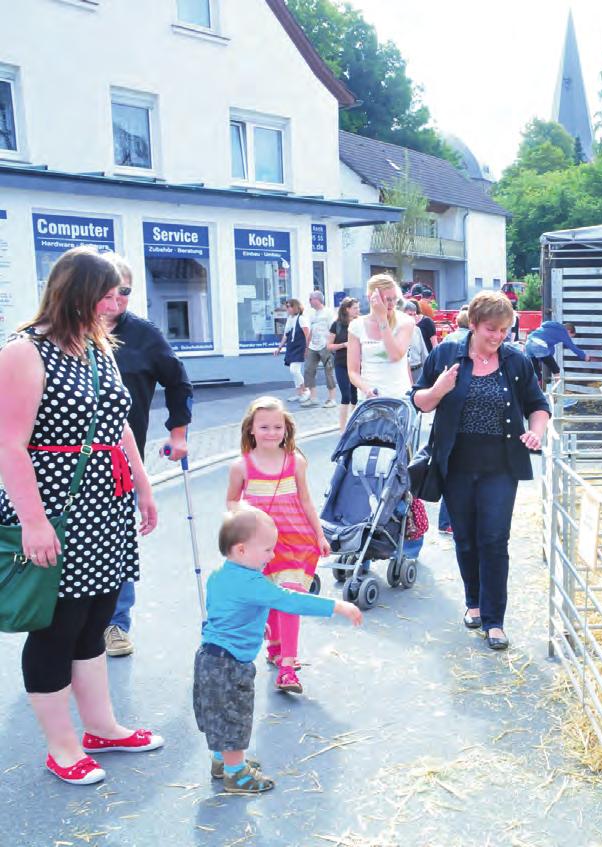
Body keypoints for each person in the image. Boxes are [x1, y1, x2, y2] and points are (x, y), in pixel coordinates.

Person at [0, 247, 161, 786]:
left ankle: (102, 728)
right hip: (55, 509)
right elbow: (8, 445)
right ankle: (62, 746)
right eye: (110, 292)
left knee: (96, 620)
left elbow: (116, 425)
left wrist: (142, 487)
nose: (118, 303)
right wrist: (34, 521)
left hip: (104, 506)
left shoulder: (96, 346)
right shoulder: (24, 352)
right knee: (55, 626)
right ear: (78, 291)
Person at [411, 291, 550, 650]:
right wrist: (439, 389)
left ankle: (494, 620)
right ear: (473, 325)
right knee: (466, 539)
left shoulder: (516, 361)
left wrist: (535, 432)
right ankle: (473, 601)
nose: (498, 336)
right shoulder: (446, 354)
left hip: (501, 466)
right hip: (455, 464)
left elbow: (538, 405)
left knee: (494, 540)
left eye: (505, 329)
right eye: (491, 329)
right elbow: (419, 402)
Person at [193, 506, 361, 793]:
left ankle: (221, 761)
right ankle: (236, 774)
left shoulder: (219, 575)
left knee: (218, 713)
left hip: (208, 657)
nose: (272, 556)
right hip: (230, 664)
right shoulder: (252, 582)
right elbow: (290, 601)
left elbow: (227, 611)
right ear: (242, 550)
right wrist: (336, 605)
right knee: (234, 717)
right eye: (268, 550)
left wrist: (256, 627)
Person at [103, 256, 193, 658]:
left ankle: (114, 624)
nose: (117, 299)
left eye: (125, 291)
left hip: (123, 460)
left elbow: (178, 382)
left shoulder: (142, 335)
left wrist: (178, 434)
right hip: (62, 463)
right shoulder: (63, 335)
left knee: (118, 543)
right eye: (108, 291)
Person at [226, 396, 331, 694]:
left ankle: (288, 667)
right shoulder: (241, 466)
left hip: (296, 538)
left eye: (277, 427)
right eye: (264, 427)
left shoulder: (295, 461)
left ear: (286, 430)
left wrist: (320, 535)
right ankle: (275, 645)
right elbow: (232, 500)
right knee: (269, 596)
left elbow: (306, 500)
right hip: (259, 542)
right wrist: (242, 520)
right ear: (251, 430)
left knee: (289, 596)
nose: (271, 433)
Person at [347, 274, 414, 400]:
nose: (392, 304)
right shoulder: (356, 325)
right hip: (370, 399)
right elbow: (353, 371)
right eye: (387, 299)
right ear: (371, 297)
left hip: (400, 398)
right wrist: (366, 389)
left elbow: (395, 355)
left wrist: (382, 319)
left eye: (395, 299)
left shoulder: (405, 321)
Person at [327, 296, 360, 431]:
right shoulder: (337, 325)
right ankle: (342, 428)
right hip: (341, 363)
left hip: (357, 364)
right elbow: (329, 346)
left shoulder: (360, 323)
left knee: (355, 395)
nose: (358, 310)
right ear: (347, 309)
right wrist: (343, 345)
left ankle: (354, 424)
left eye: (358, 307)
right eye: (355, 308)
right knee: (345, 395)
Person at [301, 290, 337, 408]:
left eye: (310, 299)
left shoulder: (329, 313)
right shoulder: (312, 314)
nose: (309, 302)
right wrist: (307, 346)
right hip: (313, 346)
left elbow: (334, 330)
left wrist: (331, 345)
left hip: (325, 346)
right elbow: (311, 331)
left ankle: (331, 399)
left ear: (317, 299)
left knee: (329, 371)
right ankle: (313, 397)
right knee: (308, 370)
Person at [525, 320, 590, 384]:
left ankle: (534, 389)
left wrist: (550, 354)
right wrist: (584, 356)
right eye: (570, 336)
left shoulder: (551, 327)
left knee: (536, 372)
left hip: (528, 343)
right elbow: (572, 347)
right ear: (569, 331)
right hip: (538, 344)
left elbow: (550, 346)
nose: (569, 338)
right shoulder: (563, 332)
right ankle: (556, 388)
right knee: (555, 368)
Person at [274, 299, 310, 402]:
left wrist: (307, 349)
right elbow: (286, 335)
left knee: (294, 370)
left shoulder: (302, 319)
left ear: (295, 307)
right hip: (291, 347)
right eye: (287, 307)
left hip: (299, 347)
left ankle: (305, 391)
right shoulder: (290, 319)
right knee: (294, 372)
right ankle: (299, 393)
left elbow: (307, 334)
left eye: (289, 306)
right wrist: (279, 348)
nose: (287, 309)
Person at [402, 301, 428, 384]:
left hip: (418, 369)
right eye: (410, 314)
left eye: (414, 314)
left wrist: (428, 371)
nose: (413, 317)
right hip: (403, 371)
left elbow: (424, 353)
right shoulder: (397, 331)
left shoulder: (417, 330)